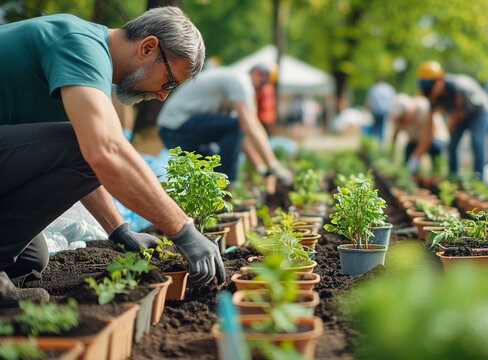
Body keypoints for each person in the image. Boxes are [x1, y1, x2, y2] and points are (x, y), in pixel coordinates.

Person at [0, 7, 226, 306]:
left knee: (30, 258)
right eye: (169, 82)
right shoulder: (78, 43)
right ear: (148, 47)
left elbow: (84, 159)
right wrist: (183, 231)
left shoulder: (84, 64)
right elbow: (102, 152)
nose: (162, 96)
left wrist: (119, 230)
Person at [157, 66, 293, 185]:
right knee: (235, 126)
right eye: (263, 84)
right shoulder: (241, 81)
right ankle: (226, 186)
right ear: (257, 73)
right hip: (175, 127)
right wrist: (274, 165)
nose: (261, 89)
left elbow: (242, 137)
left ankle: (213, 200)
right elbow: (250, 126)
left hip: (172, 131)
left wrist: (261, 169)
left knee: (211, 162)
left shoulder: (232, 87)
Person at [407, 61, 488, 178]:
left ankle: (479, 177)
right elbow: (428, 132)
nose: (429, 96)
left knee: (477, 142)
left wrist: (449, 129)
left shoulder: (457, 87)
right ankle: (453, 177)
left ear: (439, 82)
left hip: (479, 112)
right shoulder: (433, 96)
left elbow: (458, 113)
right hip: (461, 113)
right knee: (451, 144)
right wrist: (415, 158)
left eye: (429, 90)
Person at [389, 93, 448, 172]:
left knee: (435, 148)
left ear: (408, 111)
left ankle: (436, 173)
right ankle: (410, 176)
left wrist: (415, 158)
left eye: (402, 119)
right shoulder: (399, 119)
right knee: (408, 151)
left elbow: (429, 137)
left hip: (434, 139)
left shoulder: (423, 109)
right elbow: (394, 136)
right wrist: (391, 156)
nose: (401, 122)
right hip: (416, 141)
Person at [249, 63, 277, 136]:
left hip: (262, 122)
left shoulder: (265, 90)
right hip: (264, 122)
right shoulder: (267, 88)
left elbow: (266, 113)